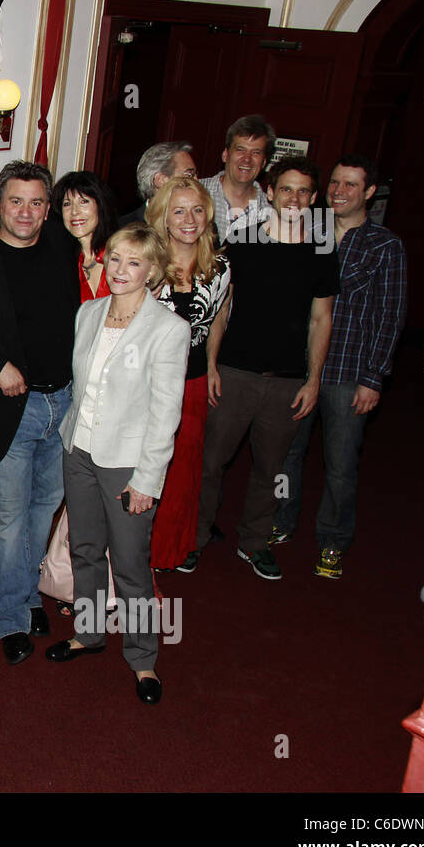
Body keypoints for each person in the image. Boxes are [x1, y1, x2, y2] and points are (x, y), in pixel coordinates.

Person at [47, 224, 190, 706]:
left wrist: (148, 479)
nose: (122, 270)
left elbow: (165, 413)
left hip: (128, 464)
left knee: (130, 566)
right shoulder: (87, 313)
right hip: (80, 451)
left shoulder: (169, 330)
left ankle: (143, 657)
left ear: (153, 270)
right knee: (86, 550)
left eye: (135, 262)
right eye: (115, 260)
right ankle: (88, 634)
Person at [193, 156, 338, 580]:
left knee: (271, 470)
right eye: (286, 189)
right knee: (210, 463)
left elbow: (321, 319)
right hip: (235, 372)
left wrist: (314, 380)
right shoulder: (242, 240)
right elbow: (221, 307)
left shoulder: (322, 249)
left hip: (288, 381)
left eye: (304, 191)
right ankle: (195, 537)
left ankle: (254, 543)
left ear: (313, 199)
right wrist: (213, 365)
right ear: (270, 192)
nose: (294, 198)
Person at [272, 155, 407, 578]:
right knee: (287, 456)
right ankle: (281, 520)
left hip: (349, 374)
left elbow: (391, 315)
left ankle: (332, 541)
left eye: (351, 185)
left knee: (341, 465)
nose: (339, 192)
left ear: (369, 192)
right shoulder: (306, 233)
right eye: (334, 183)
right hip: (300, 369)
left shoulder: (385, 246)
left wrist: (374, 378)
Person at [0, 160, 79, 664]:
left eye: (37, 202)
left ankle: (27, 592)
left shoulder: (62, 244)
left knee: (44, 509)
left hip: (63, 401)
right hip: (11, 408)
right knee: (6, 517)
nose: (26, 211)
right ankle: (7, 615)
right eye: (15, 201)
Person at [145, 178, 231, 572]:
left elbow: (218, 319)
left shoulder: (221, 267)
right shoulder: (145, 264)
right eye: (178, 210)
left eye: (197, 209)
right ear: (163, 216)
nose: (189, 219)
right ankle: (127, 554)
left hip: (192, 382)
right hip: (145, 384)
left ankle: (166, 552)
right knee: (139, 468)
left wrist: (212, 364)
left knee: (182, 469)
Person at [200, 114, 274, 241]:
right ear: (225, 155)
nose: (247, 159)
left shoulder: (270, 214)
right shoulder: (196, 192)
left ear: (264, 162)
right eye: (240, 150)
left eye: (256, 152)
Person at [53, 170, 118, 302]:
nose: (74, 211)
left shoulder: (121, 253)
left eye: (83, 202)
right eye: (67, 204)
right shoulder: (60, 263)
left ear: (100, 205)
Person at [120, 140, 197, 226]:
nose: (196, 180)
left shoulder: (201, 226)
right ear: (161, 180)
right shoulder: (124, 228)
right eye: (189, 175)